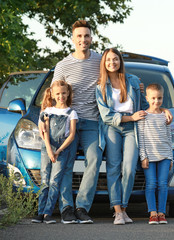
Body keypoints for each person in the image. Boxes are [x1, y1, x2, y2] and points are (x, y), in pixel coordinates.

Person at [96, 48, 172, 225]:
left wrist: (165, 110)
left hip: (132, 128)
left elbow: (148, 105)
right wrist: (130, 117)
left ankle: (123, 207)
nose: (112, 63)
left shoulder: (133, 81)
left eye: (115, 59)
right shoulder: (100, 86)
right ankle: (118, 212)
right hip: (112, 127)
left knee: (129, 168)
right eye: (108, 60)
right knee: (114, 167)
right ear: (104, 63)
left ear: (120, 61)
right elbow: (106, 115)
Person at [39, 20, 103, 224]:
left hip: (92, 121)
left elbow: (118, 81)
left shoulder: (100, 61)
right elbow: (51, 95)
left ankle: (82, 207)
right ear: (73, 39)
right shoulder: (63, 65)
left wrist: (138, 87)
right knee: (64, 164)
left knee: (93, 160)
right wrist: (42, 118)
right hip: (65, 123)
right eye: (79, 36)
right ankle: (66, 207)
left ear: (91, 38)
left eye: (86, 36)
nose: (83, 39)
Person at [32, 80, 78, 224]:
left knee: (55, 181)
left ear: (68, 93)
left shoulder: (72, 112)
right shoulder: (48, 111)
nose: (61, 96)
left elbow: (71, 134)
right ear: (52, 94)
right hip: (47, 148)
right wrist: (50, 150)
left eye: (64, 93)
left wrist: (58, 150)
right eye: (57, 94)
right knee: (45, 180)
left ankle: (48, 213)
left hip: (62, 149)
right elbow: (44, 131)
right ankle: (40, 212)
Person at [139, 83, 173, 225]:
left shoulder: (165, 116)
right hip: (150, 157)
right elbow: (141, 138)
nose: (156, 101)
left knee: (163, 184)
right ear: (147, 98)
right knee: (151, 184)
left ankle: (161, 213)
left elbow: (169, 137)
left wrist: (170, 157)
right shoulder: (144, 116)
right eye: (153, 98)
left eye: (159, 98)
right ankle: (153, 213)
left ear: (162, 98)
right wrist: (143, 157)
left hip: (165, 155)